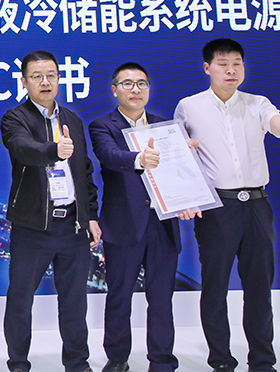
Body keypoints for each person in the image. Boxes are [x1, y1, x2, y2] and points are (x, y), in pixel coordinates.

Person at [174, 38, 280, 372]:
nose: (231, 70)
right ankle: (221, 362)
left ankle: (262, 361)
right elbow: (179, 157)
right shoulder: (189, 106)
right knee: (214, 287)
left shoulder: (258, 103)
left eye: (237, 64)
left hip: (256, 205)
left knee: (259, 288)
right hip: (217, 208)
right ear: (207, 68)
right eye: (223, 64)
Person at [0, 50, 100, 372]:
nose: (45, 82)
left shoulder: (72, 120)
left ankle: (77, 363)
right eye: (37, 77)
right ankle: (18, 363)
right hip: (33, 227)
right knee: (20, 300)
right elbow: (23, 149)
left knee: (75, 302)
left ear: (59, 78)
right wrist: (54, 150)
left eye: (51, 76)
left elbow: (84, 172)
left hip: (72, 226)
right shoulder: (15, 119)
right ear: (24, 81)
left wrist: (91, 215)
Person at [90, 62, 193, 372]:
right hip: (123, 225)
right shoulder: (103, 126)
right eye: (128, 84)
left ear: (149, 89)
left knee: (161, 300)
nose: (135, 89)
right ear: (114, 90)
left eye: (142, 83)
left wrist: (190, 191)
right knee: (119, 297)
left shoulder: (166, 127)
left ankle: (162, 361)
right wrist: (139, 159)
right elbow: (109, 156)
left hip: (163, 224)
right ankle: (117, 359)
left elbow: (181, 172)